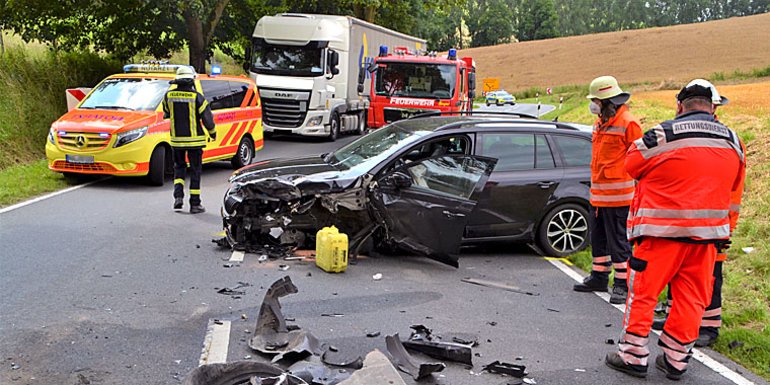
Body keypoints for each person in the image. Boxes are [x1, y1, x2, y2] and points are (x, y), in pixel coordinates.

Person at [605, 80, 745, 380]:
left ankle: (633, 356)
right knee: (691, 299)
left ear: (680, 106)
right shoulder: (734, 141)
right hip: (707, 239)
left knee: (643, 294)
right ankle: (676, 360)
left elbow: (632, 164)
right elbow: (734, 187)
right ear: (712, 107)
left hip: (660, 234)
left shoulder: (662, 134)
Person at [651, 79, 744, 348]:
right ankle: (675, 320)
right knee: (683, 277)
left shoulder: (729, 140)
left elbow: (733, 191)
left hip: (715, 224)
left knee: (710, 279)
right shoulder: (707, 138)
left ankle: (709, 327)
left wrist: (727, 228)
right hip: (694, 223)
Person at [573, 76, 642, 304]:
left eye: (595, 100)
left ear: (606, 101)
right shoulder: (601, 122)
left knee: (619, 243)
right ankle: (600, 277)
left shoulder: (628, 123)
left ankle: (622, 285)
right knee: (599, 239)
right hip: (599, 196)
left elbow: (640, 159)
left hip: (620, 198)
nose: (593, 104)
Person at [162, 66, 216, 214]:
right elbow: (207, 119)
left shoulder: (168, 96)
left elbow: (166, 113)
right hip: (195, 141)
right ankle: (195, 203)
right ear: (191, 80)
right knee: (195, 171)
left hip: (176, 140)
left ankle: (178, 197)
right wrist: (212, 133)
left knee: (178, 168)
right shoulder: (197, 97)